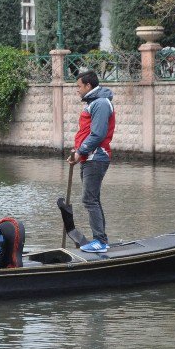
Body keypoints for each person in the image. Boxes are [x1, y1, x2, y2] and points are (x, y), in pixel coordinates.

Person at [68, 69, 116, 253]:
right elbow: (87, 132)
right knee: (92, 199)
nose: (77, 90)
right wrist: (77, 152)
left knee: (89, 200)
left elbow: (98, 134)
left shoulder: (101, 103)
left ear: (88, 85)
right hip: (89, 156)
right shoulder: (94, 103)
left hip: (97, 157)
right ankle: (101, 240)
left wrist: (81, 151)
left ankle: (100, 242)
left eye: (79, 86)